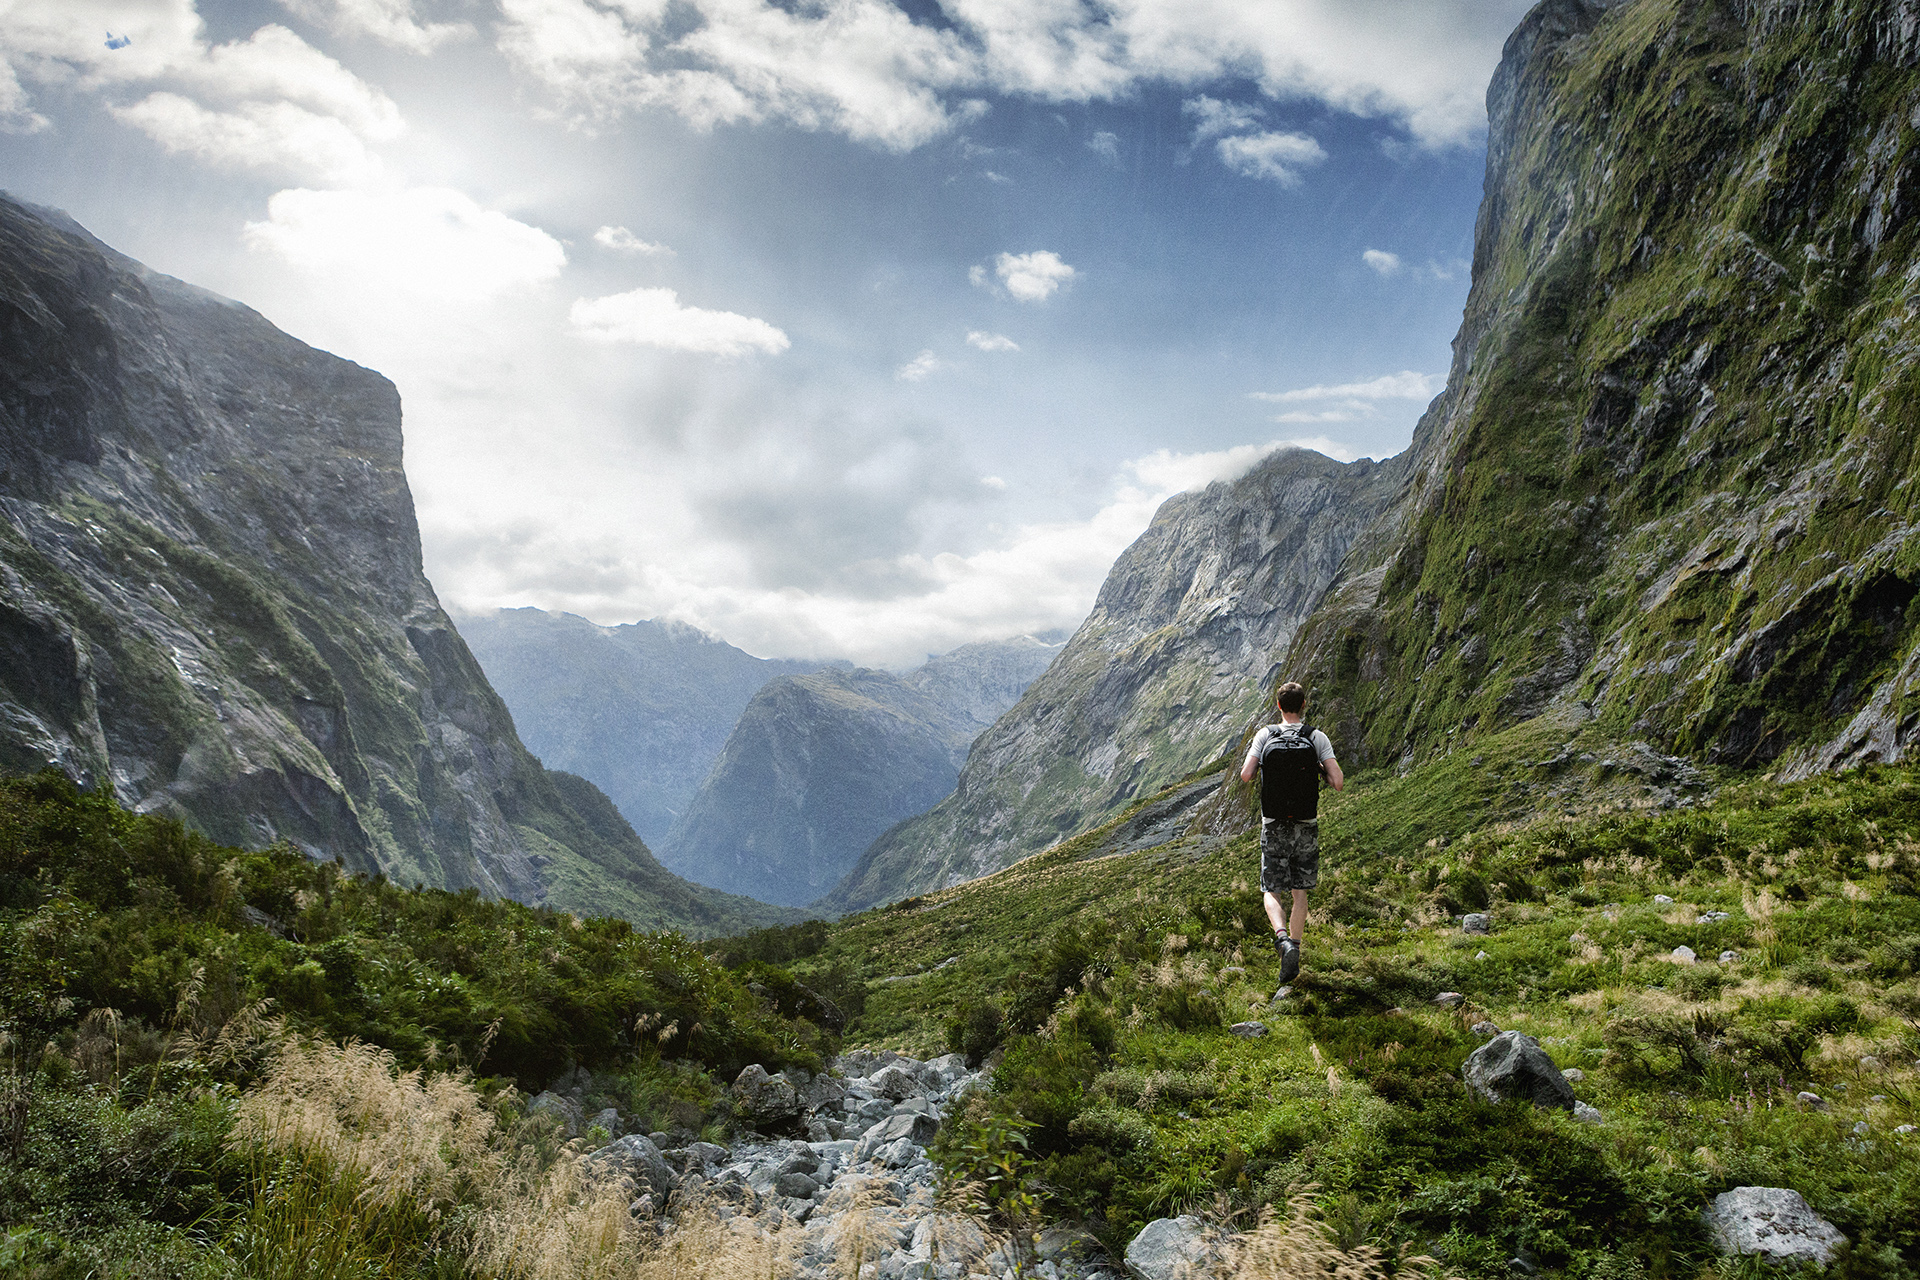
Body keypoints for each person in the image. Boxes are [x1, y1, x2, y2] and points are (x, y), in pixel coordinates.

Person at [1240, 681, 1343, 987]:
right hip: (1306, 823)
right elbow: (1337, 782)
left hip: (1273, 823)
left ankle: (1282, 941)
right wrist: (1319, 771)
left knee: (1271, 889)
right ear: (1304, 704)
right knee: (1300, 892)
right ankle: (1294, 950)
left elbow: (1246, 775)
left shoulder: (1265, 735)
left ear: (1278, 705)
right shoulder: (1316, 737)